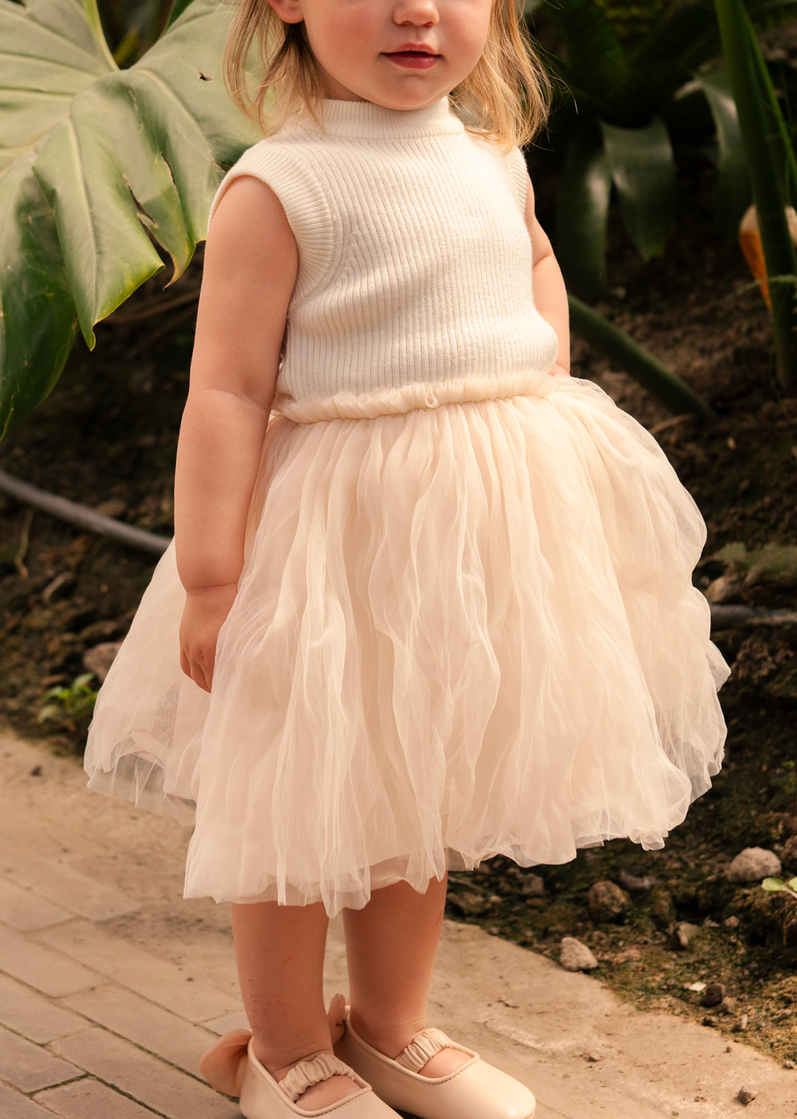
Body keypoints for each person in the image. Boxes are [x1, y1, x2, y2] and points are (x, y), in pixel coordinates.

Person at [84, 0, 729, 1114]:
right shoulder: (281, 188)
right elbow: (226, 390)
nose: (417, 10)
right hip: (327, 548)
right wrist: (211, 577)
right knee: (297, 796)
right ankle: (286, 1051)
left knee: (413, 788)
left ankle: (387, 1029)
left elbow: (532, 262)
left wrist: (538, 387)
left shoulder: (492, 158)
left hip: (463, 542)